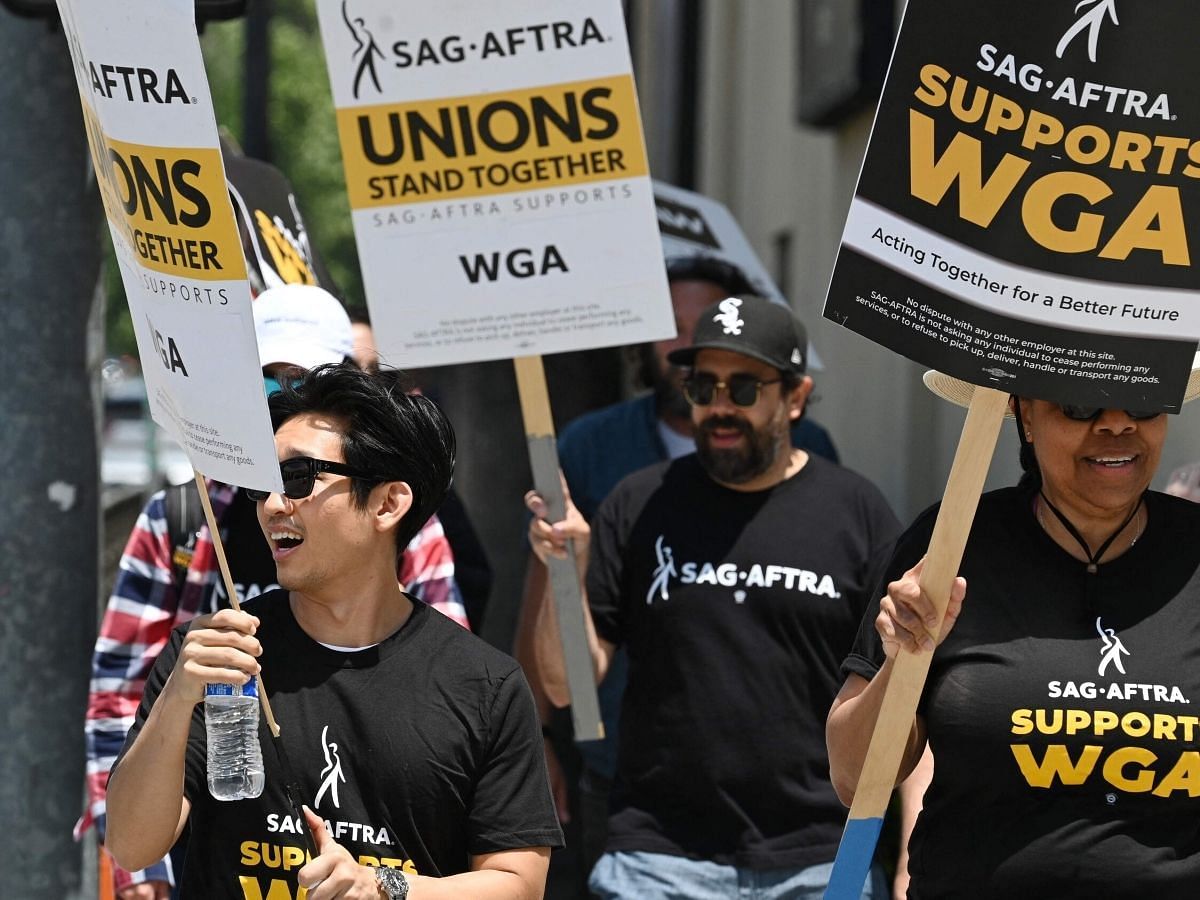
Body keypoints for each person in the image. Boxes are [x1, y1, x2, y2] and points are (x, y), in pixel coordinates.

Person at [105, 363, 563, 898]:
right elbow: (131, 845)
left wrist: (384, 887)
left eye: (299, 478)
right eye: (262, 484)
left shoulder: (485, 685)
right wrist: (178, 700)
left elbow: (518, 884)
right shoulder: (212, 655)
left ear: (389, 503)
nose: (273, 505)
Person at [79, 284, 468, 899]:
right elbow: (117, 701)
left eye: (305, 382)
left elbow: (442, 692)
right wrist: (142, 872)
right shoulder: (184, 518)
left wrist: (388, 884)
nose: (281, 403)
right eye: (266, 385)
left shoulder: (396, 522)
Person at [528, 295, 900, 898]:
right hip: (657, 856)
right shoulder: (639, 502)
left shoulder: (856, 514)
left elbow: (906, 692)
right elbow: (568, 683)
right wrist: (563, 574)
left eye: (745, 389)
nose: (720, 407)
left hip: (823, 855)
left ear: (796, 396)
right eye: (703, 388)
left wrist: (904, 856)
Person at [827, 363, 1200, 897]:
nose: (1118, 424)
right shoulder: (952, 544)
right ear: (1025, 414)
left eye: (1142, 401)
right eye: (1079, 405)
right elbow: (854, 779)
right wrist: (901, 658)